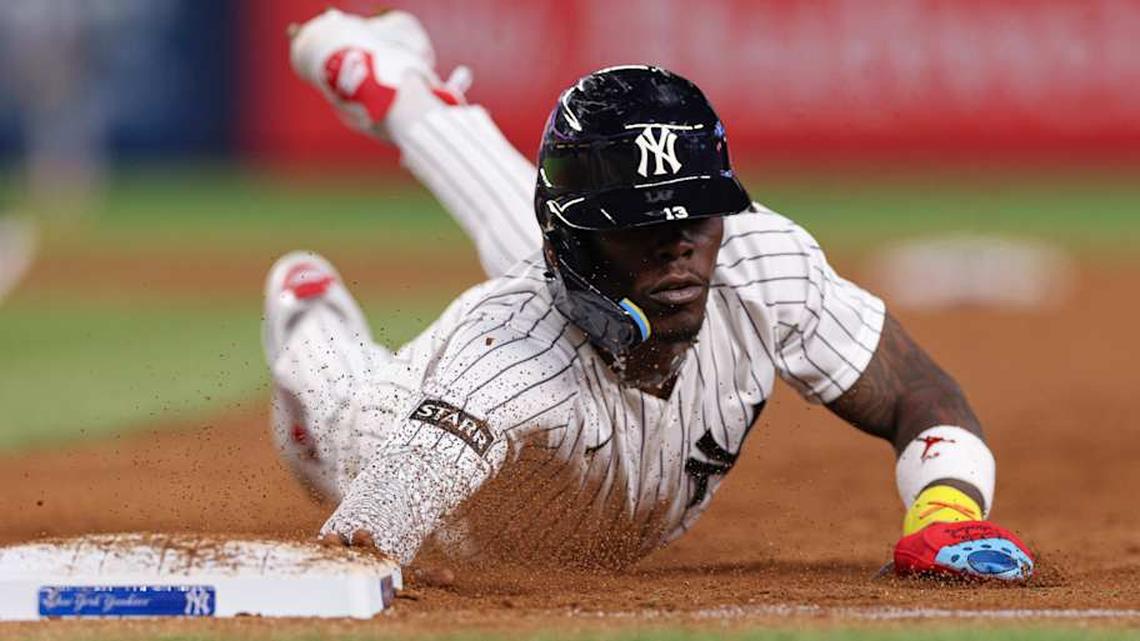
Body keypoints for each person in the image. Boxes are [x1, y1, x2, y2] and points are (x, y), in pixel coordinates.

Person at [265, 8, 1033, 580]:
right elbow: (354, 552)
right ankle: (308, 314)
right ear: (571, 244)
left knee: (563, 229)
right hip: (420, 437)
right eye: (637, 223)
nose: (677, 245)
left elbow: (917, 390)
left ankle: (388, 81)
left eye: (695, 215)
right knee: (337, 409)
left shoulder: (757, 262)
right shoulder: (502, 365)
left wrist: (946, 509)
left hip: (576, 286)